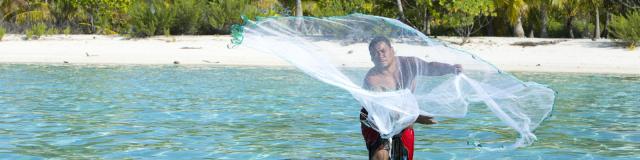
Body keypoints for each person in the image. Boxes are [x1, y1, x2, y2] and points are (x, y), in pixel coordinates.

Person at [360, 36, 462, 160]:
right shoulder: (372, 80)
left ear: (392, 51)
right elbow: (387, 111)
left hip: (405, 118)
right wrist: (417, 117)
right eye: (375, 53)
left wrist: (450, 69)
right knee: (381, 156)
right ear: (371, 58)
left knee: (403, 156)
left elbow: (430, 67)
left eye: (383, 51)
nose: (380, 55)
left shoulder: (409, 64)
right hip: (375, 121)